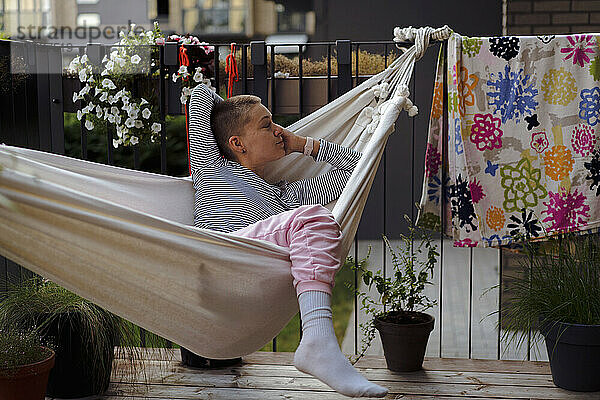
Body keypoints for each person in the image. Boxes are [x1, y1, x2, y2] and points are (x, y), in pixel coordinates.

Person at [189, 84, 388, 398]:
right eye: (266, 125)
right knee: (314, 217)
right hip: (223, 257)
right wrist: (232, 107)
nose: (278, 131)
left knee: (315, 218)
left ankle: (318, 341)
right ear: (237, 143)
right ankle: (318, 342)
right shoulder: (209, 167)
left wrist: (302, 144)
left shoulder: (286, 198)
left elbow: (356, 170)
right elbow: (199, 95)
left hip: (256, 270)